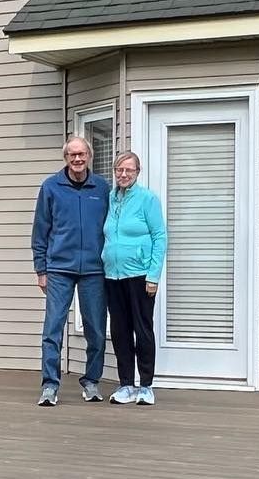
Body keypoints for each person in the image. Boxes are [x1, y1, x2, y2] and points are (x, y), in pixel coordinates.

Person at [31, 136, 110, 406]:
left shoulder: (102, 188)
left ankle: (91, 382)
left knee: (96, 329)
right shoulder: (51, 187)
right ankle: (50, 385)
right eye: (72, 154)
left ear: (89, 156)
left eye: (82, 154)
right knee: (52, 328)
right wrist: (41, 269)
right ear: (66, 158)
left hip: (94, 271)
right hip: (58, 269)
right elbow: (40, 231)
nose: (77, 159)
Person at [101, 151, 167, 406]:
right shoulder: (110, 198)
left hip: (140, 276)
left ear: (137, 172)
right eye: (119, 170)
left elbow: (160, 237)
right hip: (112, 276)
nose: (124, 174)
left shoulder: (147, 199)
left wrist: (153, 276)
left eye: (129, 170)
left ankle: (146, 385)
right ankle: (126, 384)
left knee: (142, 329)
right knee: (119, 331)